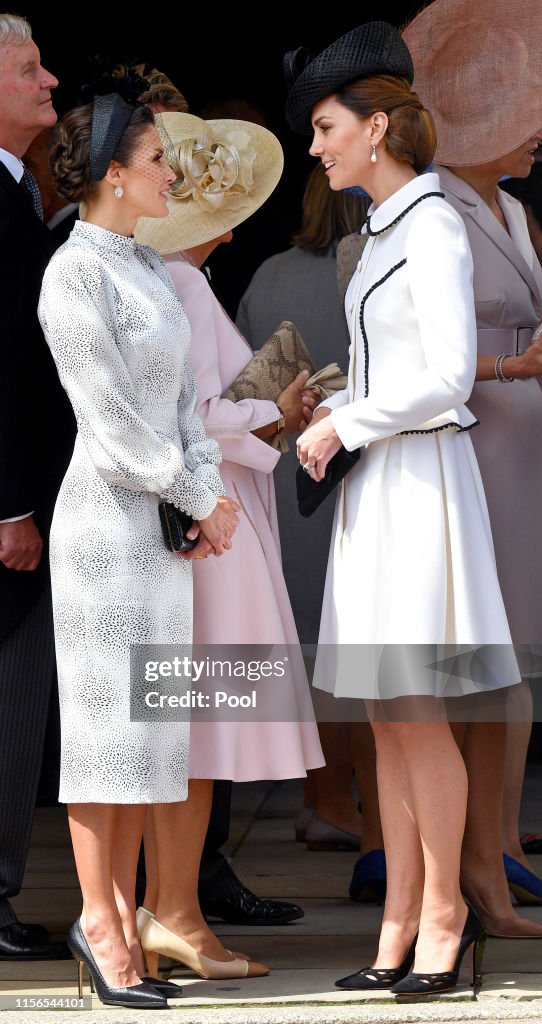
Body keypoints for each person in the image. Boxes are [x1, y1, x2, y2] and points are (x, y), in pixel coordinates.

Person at [286, 22, 520, 997]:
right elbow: (400, 369)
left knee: (415, 716)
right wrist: (328, 405)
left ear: (375, 127)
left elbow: (443, 373)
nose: (315, 145)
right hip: (384, 488)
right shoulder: (384, 227)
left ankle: (440, 918)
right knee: (388, 717)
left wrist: (348, 423)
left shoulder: (429, 221)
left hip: (416, 487)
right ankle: (397, 923)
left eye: (326, 126)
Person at [38, 94, 239, 1008]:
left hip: (158, 535)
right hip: (103, 534)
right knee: (103, 740)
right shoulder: (72, 275)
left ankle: (116, 918)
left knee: (150, 739)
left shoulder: (151, 269)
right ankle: (101, 925)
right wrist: (200, 494)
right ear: (113, 172)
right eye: (158, 156)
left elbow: (187, 403)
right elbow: (111, 423)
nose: (172, 172)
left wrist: (209, 494)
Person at [133, 110, 325, 978]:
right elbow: (198, 416)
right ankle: (171, 911)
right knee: (195, 733)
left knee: (190, 734)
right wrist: (274, 414)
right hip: (213, 527)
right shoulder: (178, 283)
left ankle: (171, 909)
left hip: (211, 516)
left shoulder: (163, 276)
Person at [404, 0, 542, 934]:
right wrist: (506, 366)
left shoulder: (518, 208)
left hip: (524, 458)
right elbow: (410, 352)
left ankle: (496, 855)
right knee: (468, 665)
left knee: (515, 669)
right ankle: (459, 870)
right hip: (471, 449)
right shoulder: (431, 206)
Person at [237, 163, 368, 852]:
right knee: (352, 643)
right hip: (350, 467)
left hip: (282, 473)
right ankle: (347, 802)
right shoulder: (371, 267)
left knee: (309, 637)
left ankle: (322, 795)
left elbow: (241, 376)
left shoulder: (266, 274)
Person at [0, 12, 74, 962]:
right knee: (11, 702)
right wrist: (11, 501)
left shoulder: (16, 192)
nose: (49, 80)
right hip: (10, 512)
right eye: (28, 68)